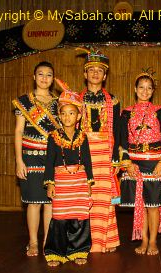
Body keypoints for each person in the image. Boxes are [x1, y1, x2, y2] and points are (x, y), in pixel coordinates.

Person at [119, 69, 161, 255]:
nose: (145, 91)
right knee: (139, 206)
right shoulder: (126, 112)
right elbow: (122, 140)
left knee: (153, 206)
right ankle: (144, 239)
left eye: (149, 88)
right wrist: (127, 163)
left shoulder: (160, 111)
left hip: (155, 162)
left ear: (153, 91)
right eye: (141, 87)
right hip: (135, 163)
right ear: (135, 89)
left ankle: (153, 242)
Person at [43, 78, 94, 266]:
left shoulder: (83, 137)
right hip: (61, 182)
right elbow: (49, 162)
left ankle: (79, 251)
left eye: (71, 113)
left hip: (80, 181)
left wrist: (89, 183)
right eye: (63, 114)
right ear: (59, 116)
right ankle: (56, 252)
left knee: (79, 218)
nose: (67, 117)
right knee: (60, 218)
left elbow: (87, 160)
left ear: (78, 116)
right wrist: (50, 184)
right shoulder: (53, 137)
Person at [12, 61, 61, 256]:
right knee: (33, 201)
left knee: (50, 202)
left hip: (52, 158)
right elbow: (18, 131)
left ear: (53, 79)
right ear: (34, 77)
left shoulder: (59, 102)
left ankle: (47, 241)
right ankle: (33, 242)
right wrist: (18, 160)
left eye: (49, 75)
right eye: (40, 74)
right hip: (30, 157)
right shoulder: (24, 102)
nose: (44, 78)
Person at [76, 46, 120, 253]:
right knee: (84, 196)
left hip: (105, 153)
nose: (95, 73)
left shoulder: (114, 101)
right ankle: (82, 241)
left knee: (104, 198)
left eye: (99, 70)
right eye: (91, 69)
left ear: (105, 75)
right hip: (82, 152)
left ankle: (106, 240)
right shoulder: (75, 99)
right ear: (85, 74)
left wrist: (115, 159)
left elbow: (118, 132)